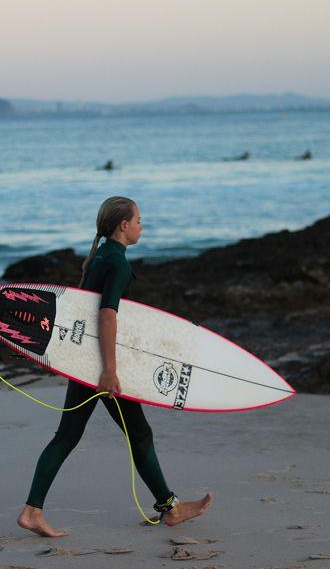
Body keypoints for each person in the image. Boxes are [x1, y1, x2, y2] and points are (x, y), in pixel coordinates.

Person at [17, 196, 212, 537]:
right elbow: (106, 315)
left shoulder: (102, 255)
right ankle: (171, 509)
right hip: (99, 365)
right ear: (124, 224)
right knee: (138, 433)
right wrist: (110, 370)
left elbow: (78, 312)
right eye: (138, 220)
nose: (141, 225)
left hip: (84, 361)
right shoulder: (118, 263)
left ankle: (32, 511)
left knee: (68, 436)